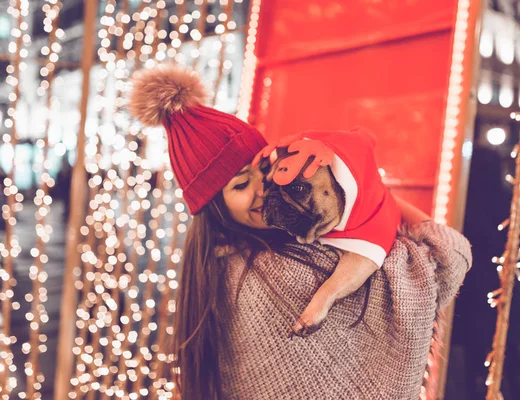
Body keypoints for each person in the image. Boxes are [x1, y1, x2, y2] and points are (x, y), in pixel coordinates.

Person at [129, 64, 472, 400]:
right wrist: (372, 193)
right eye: (241, 185)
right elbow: (444, 258)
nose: (264, 186)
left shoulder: (217, 270)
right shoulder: (283, 272)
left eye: (265, 167)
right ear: (215, 209)